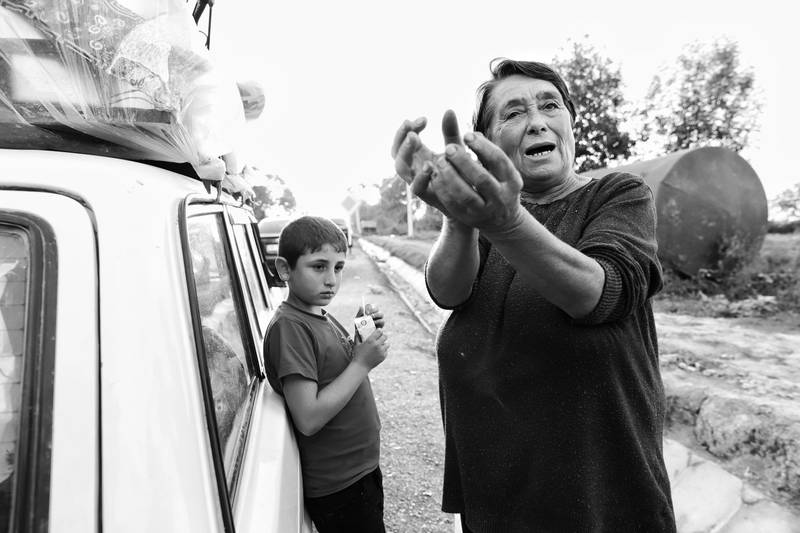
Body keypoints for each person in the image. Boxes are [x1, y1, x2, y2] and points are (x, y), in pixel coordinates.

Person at [391, 59, 676, 532]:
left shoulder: (618, 194)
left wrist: (505, 223)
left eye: (550, 105)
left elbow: (597, 292)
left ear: (570, 124)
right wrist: (460, 216)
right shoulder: (486, 213)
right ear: (482, 144)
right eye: (515, 113)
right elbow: (448, 292)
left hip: (599, 490)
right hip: (495, 482)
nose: (538, 121)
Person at [264, 215, 390, 533]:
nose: (331, 280)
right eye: (318, 267)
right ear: (284, 269)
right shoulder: (290, 328)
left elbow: (330, 366)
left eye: (338, 267)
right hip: (340, 486)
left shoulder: (315, 314)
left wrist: (357, 339)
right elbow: (308, 418)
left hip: (358, 472)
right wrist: (362, 363)